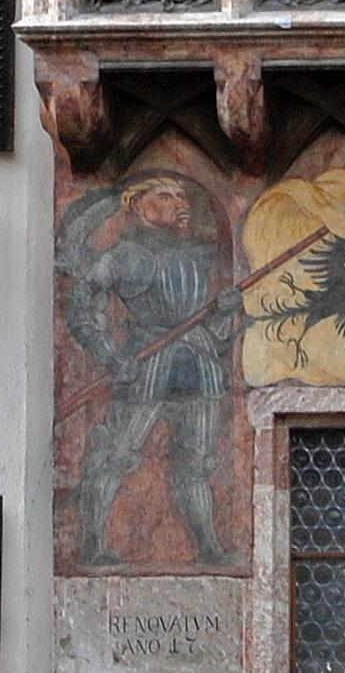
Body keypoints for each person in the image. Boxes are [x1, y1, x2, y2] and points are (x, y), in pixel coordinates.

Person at [69, 179, 235, 564]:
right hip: (146, 366)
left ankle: (208, 546)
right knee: (114, 454)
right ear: (139, 205)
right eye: (165, 195)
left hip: (200, 364)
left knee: (197, 462)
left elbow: (210, 328)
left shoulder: (198, 255)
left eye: (181, 195)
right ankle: (93, 545)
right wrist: (110, 355)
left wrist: (223, 312)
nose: (180, 203)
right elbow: (81, 308)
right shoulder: (124, 256)